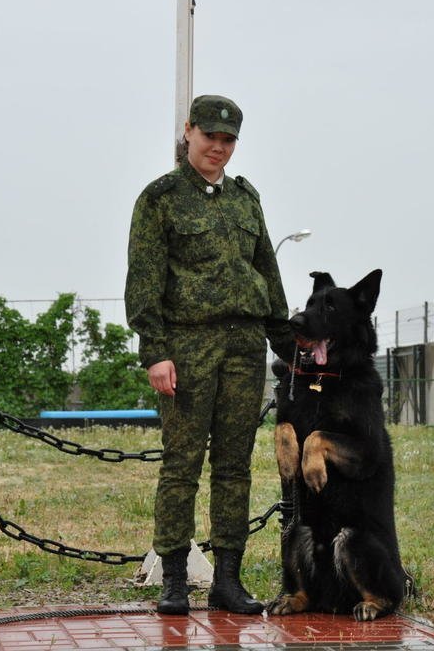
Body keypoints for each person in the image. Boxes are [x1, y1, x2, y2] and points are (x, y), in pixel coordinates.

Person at [125, 95, 293, 615]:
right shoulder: (161, 199)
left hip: (244, 347)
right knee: (181, 464)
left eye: (228, 140)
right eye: (210, 137)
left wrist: (283, 341)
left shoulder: (246, 200)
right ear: (189, 132)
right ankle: (174, 579)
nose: (218, 148)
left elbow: (267, 270)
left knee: (234, 466)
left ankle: (228, 580)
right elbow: (144, 281)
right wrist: (155, 351)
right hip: (187, 348)